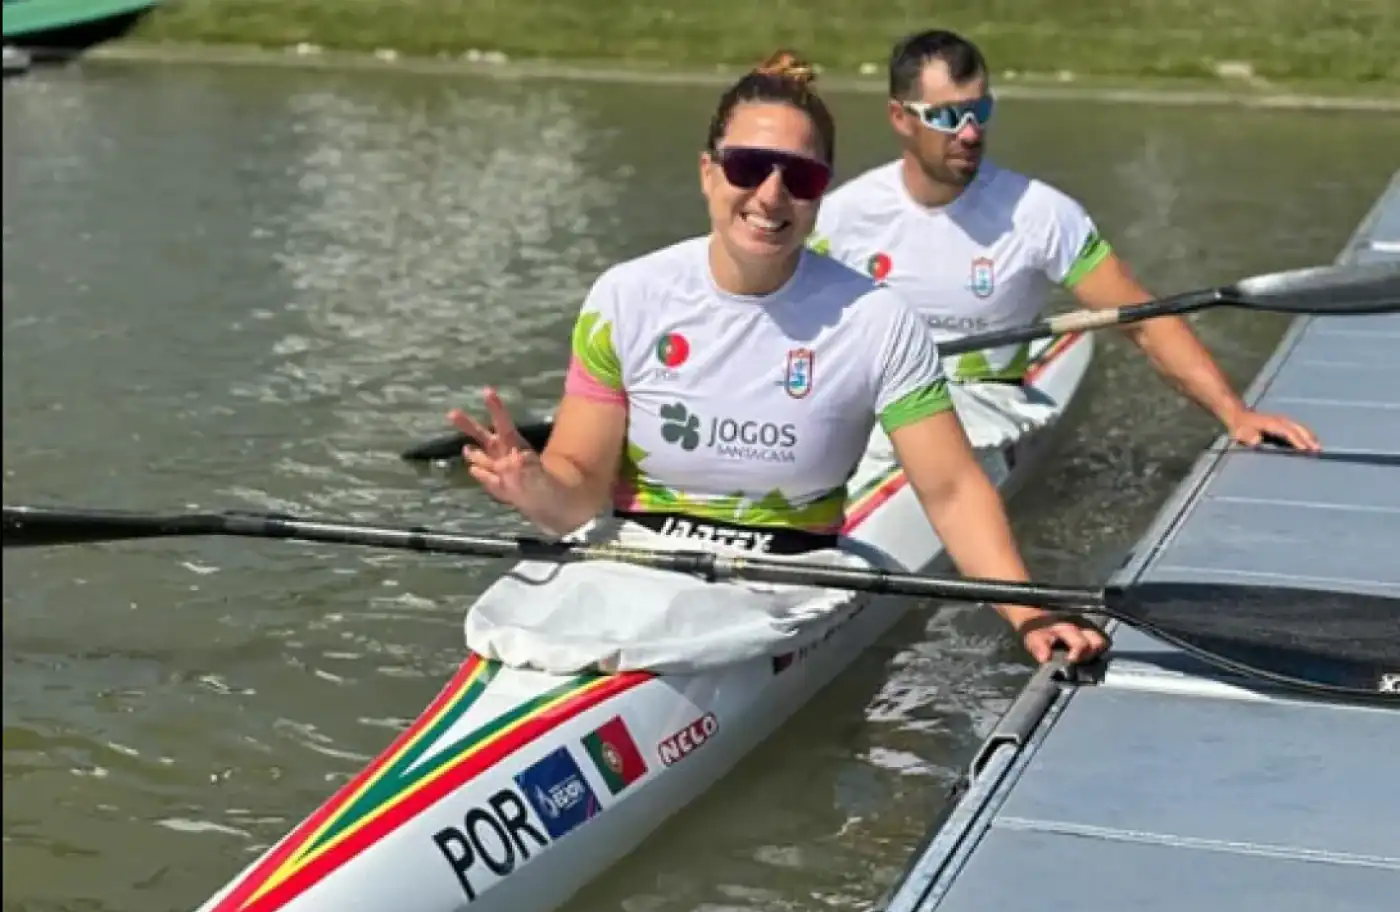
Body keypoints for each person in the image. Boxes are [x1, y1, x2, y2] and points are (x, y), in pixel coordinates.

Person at [446, 49, 1107, 667]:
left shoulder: (876, 318)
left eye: (801, 176)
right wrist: (535, 488)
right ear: (708, 172)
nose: (769, 195)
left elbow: (953, 489)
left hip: (781, 584)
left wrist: (1028, 613)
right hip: (627, 567)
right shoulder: (626, 295)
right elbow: (579, 494)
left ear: (822, 193)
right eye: (745, 167)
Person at [808, 29, 1321, 453]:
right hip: (875, 404)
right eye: (947, 117)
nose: (968, 133)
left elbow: (1143, 322)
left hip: (982, 412)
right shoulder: (841, 216)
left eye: (979, 111)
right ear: (900, 118)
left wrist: (1235, 413)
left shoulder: (1041, 214)